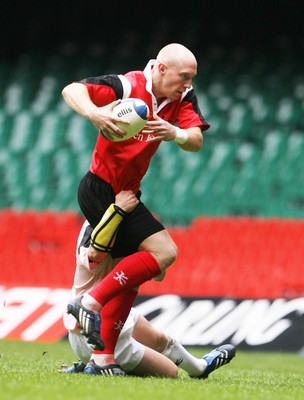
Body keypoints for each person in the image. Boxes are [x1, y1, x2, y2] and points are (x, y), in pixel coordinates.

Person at [62, 43, 213, 374]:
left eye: (192, 78)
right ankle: (89, 304)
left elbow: (196, 140)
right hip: (102, 189)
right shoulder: (128, 86)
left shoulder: (182, 98)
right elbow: (71, 90)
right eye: (184, 77)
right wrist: (94, 112)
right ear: (161, 69)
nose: (188, 84)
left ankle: (103, 359)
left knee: (140, 269)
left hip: (127, 193)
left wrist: (173, 133)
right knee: (164, 253)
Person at [62, 191, 236, 378]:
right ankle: (98, 364)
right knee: (171, 372)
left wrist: (153, 248)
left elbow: (159, 275)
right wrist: (119, 212)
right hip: (89, 327)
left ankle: (199, 368)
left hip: (114, 313)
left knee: (159, 339)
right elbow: (94, 255)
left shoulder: (130, 230)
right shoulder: (92, 226)